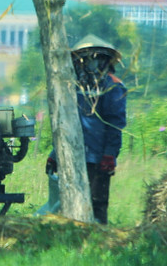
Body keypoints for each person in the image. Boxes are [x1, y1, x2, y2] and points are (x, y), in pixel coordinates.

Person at [37, 35, 128, 224]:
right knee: (69, 201)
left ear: (104, 60)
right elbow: (66, 123)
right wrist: (55, 153)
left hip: (98, 157)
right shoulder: (73, 86)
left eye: (95, 58)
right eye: (86, 58)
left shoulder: (113, 87)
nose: (91, 62)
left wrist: (109, 155)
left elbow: (114, 124)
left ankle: (97, 240)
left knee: (97, 203)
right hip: (72, 154)